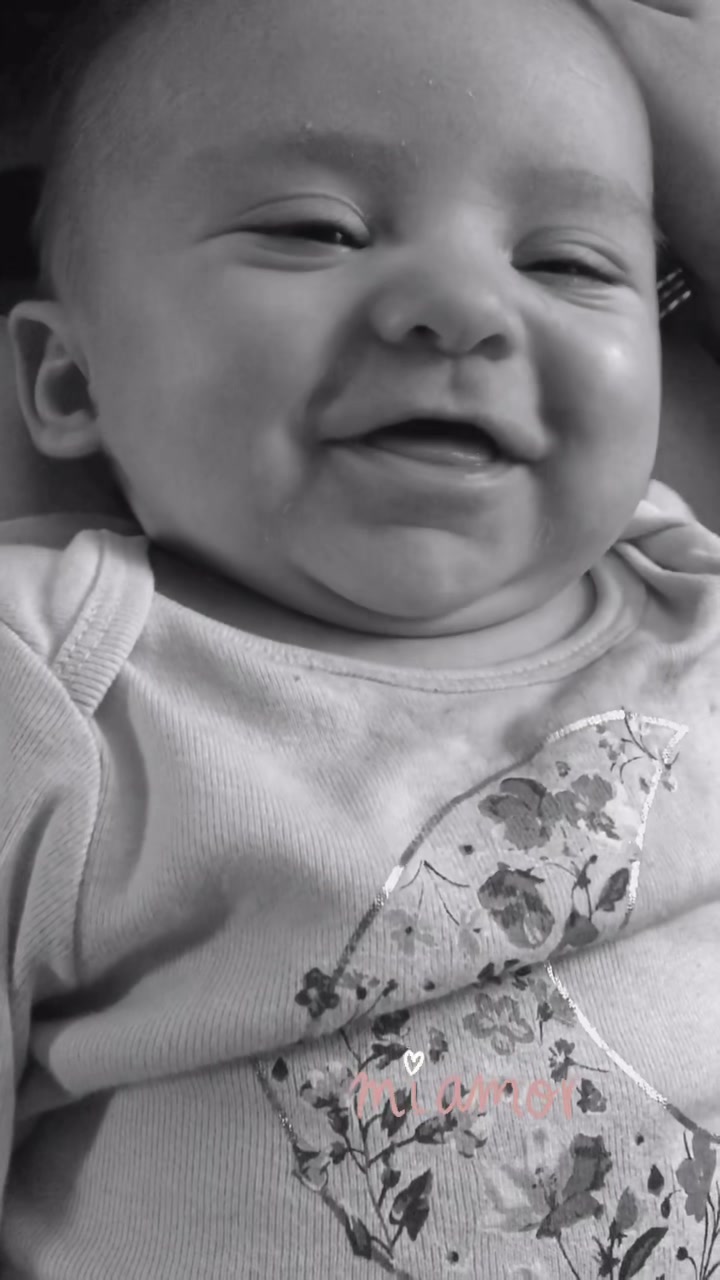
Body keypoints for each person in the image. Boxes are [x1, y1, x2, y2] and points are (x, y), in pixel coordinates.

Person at [0, 0, 719, 1275]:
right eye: (314, 230)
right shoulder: (62, 674)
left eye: (570, 262)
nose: (462, 307)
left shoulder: (690, 602)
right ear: (69, 379)